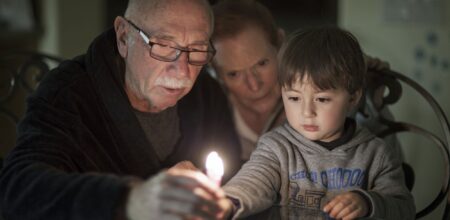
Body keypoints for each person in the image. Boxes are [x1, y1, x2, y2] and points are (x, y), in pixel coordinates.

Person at [0, 0, 237, 219]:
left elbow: (235, 175)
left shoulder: (207, 94)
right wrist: (131, 200)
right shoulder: (69, 94)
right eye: (164, 45)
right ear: (124, 37)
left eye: (196, 50)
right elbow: (18, 189)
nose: (183, 72)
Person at [221, 27, 415, 219]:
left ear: (353, 98)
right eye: (294, 98)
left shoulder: (376, 154)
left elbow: (404, 208)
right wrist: (227, 202)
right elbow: (251, 183)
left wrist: (367, 202)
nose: (307, 112)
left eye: (322, 99)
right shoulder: (276, 148)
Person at [210, 0, 403, 165]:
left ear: (279, 42)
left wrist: (368, 95)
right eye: (234, 74)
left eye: (262, 63)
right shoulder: (210, 110)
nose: (254, 85)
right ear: (215, 71)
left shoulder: (332, 97)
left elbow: (388, 171)